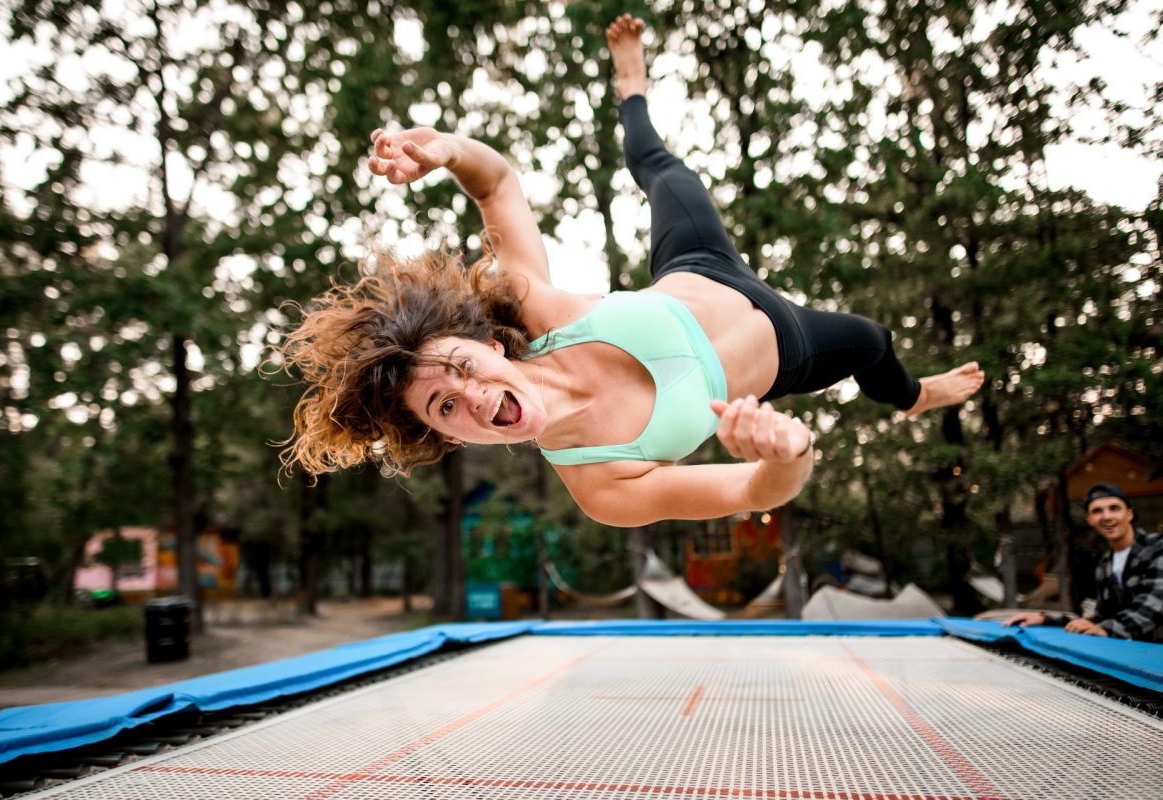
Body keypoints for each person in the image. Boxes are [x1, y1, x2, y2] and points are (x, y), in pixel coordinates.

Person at [280, 15, 984, 527]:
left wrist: (445, 152)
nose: (471, 398)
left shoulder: (531, 313)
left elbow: (497, 188)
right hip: (790, 348)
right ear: (449, 438)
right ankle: (914, 396)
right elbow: (754, 493)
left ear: (489, 345)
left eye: (461, 368)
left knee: (659, 168)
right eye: (444, 409)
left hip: (700, 267)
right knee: (873, 341)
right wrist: (787, 453)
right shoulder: (602, 483)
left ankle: (632, 88)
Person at [1004, 483, 1163, 642]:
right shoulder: (1105, 565)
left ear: (1130, 514)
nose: (1106, 516)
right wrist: (1045, 620)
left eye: (1114, 508)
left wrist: (1105, 628)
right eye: (1097, 511)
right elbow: (1100, 619)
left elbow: (1154, 604)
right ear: (1090, 519)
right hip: (1137, 659)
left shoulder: (1157, 547)